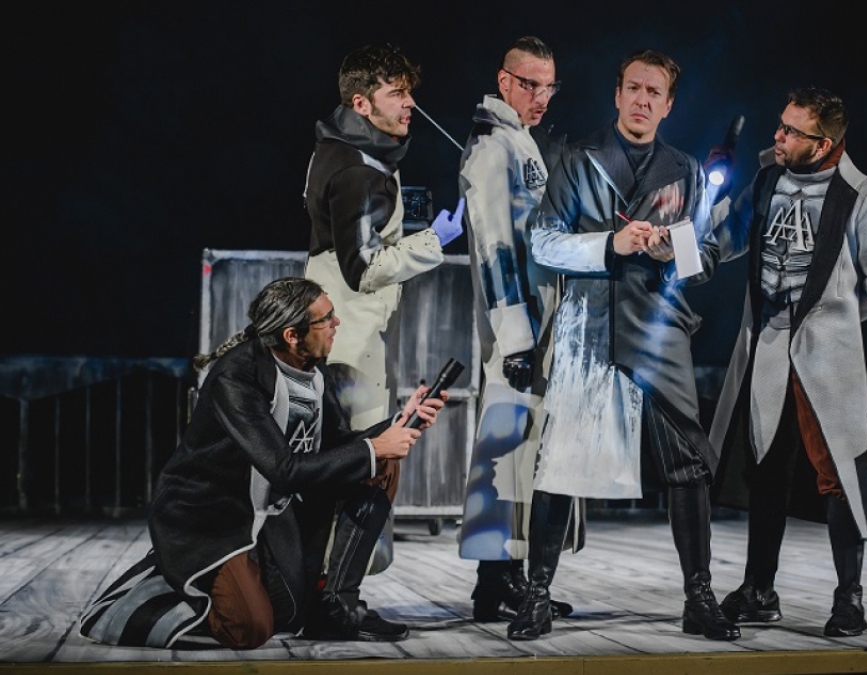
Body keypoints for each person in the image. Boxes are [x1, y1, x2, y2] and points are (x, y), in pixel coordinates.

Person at [507, 48, 741, 642]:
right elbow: (543, 242)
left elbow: (705, 256)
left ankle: (699, 597)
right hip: (590, 326)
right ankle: (536, 595)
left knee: (688, 464)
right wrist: (611, 244)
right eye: (633, 88)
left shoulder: (686, 170)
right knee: (560, 464)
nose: (642, 100)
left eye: (653, 92)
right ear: (616, 95)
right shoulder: (577, 158)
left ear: (668, 105)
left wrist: (670, 252)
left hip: (660, 330)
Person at [79, 277, 448, 649]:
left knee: (381, 463)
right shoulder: (236, 377)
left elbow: (333, 444)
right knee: (249, 629)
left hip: (272, 507)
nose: (336, 323)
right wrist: (373, 447)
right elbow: (284, 469)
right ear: (291, 335)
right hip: (214, 517)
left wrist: (399, 422)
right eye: (326, 319)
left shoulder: (312, 369)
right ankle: (166, 588)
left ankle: (336, 606)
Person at [707, 86, 867, 637]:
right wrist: (690, 222)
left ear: (823, 144)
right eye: (780, 125)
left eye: (791, 131)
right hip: (770, 347)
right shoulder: (767, 180)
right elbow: (725, 238)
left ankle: (849, 598)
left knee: (838, 470)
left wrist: (837, 318)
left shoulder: (858, 195)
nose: (778, 136)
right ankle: (758, 587)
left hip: (825, 355)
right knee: (765, 466)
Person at [302, 43, 464, 574]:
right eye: (396, 93)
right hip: (348, 342)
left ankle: (329, 588)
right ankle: (338, 593)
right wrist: (435, 240)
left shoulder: (337, 150)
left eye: (409, 92)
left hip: (337, 334)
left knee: (342, 464)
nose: (409, 103)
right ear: (361, 103)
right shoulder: (358, 169)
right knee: (368, 465)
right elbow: (364, 268)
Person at [456, 36, 579, 623]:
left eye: (549, 86)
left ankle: (508, 580)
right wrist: (514, 336)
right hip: (520, 326)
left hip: (541, 321)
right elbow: (494, 246)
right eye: (530, 84)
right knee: (505, 450)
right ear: (504, 82)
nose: (541, 96)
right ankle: (496, 581)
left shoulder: (521, 140)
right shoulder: (492, 147)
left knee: (524, 452)